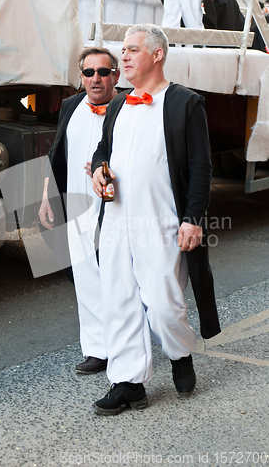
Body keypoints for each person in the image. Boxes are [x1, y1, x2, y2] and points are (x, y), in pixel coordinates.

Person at [91, 24, 220, 416]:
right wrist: (98, 169)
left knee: (164, 306)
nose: (123, 58)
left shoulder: (185, 103)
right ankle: (129, 383)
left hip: (160, 223)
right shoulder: (117, 104)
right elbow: (103, 151)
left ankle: (180, 354)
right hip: (116, 221)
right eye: (123, 51)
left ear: (157, 53)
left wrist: (193, 218)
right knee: (119, 302)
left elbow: (200, 166)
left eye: (131, 50)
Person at [38, 47, 120, 375]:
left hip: (115, 207)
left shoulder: (128, 107)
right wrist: (47, 196)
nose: (95, 79)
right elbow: (57, 151)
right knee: (85, 279)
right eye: (89, 73)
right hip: (76, 207)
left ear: (116, 75)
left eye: (103, 72)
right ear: (81, 76)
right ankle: (97, 350)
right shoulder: (70, 105)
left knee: (118, 279)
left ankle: (125, 346)